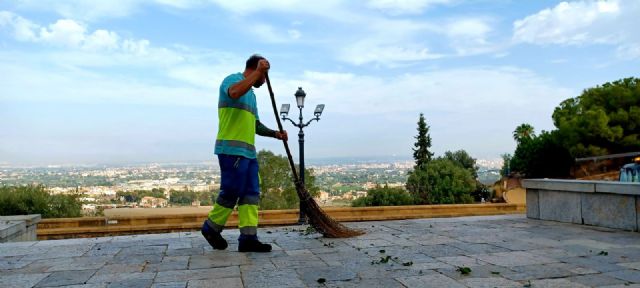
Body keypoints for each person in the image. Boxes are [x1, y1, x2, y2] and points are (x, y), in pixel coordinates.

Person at [201, 54, 287, 252]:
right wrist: (258, 72)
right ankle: (211, 228)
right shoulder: (232, 80)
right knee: (232, 190)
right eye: (264, 75)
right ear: (256, 68)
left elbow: (255, 124)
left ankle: (248, 238)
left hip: (248, 152)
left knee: (251, 194)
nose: (265, 80)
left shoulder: (252, 95)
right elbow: (233, 93)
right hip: (231, 150)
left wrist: (275, 134)